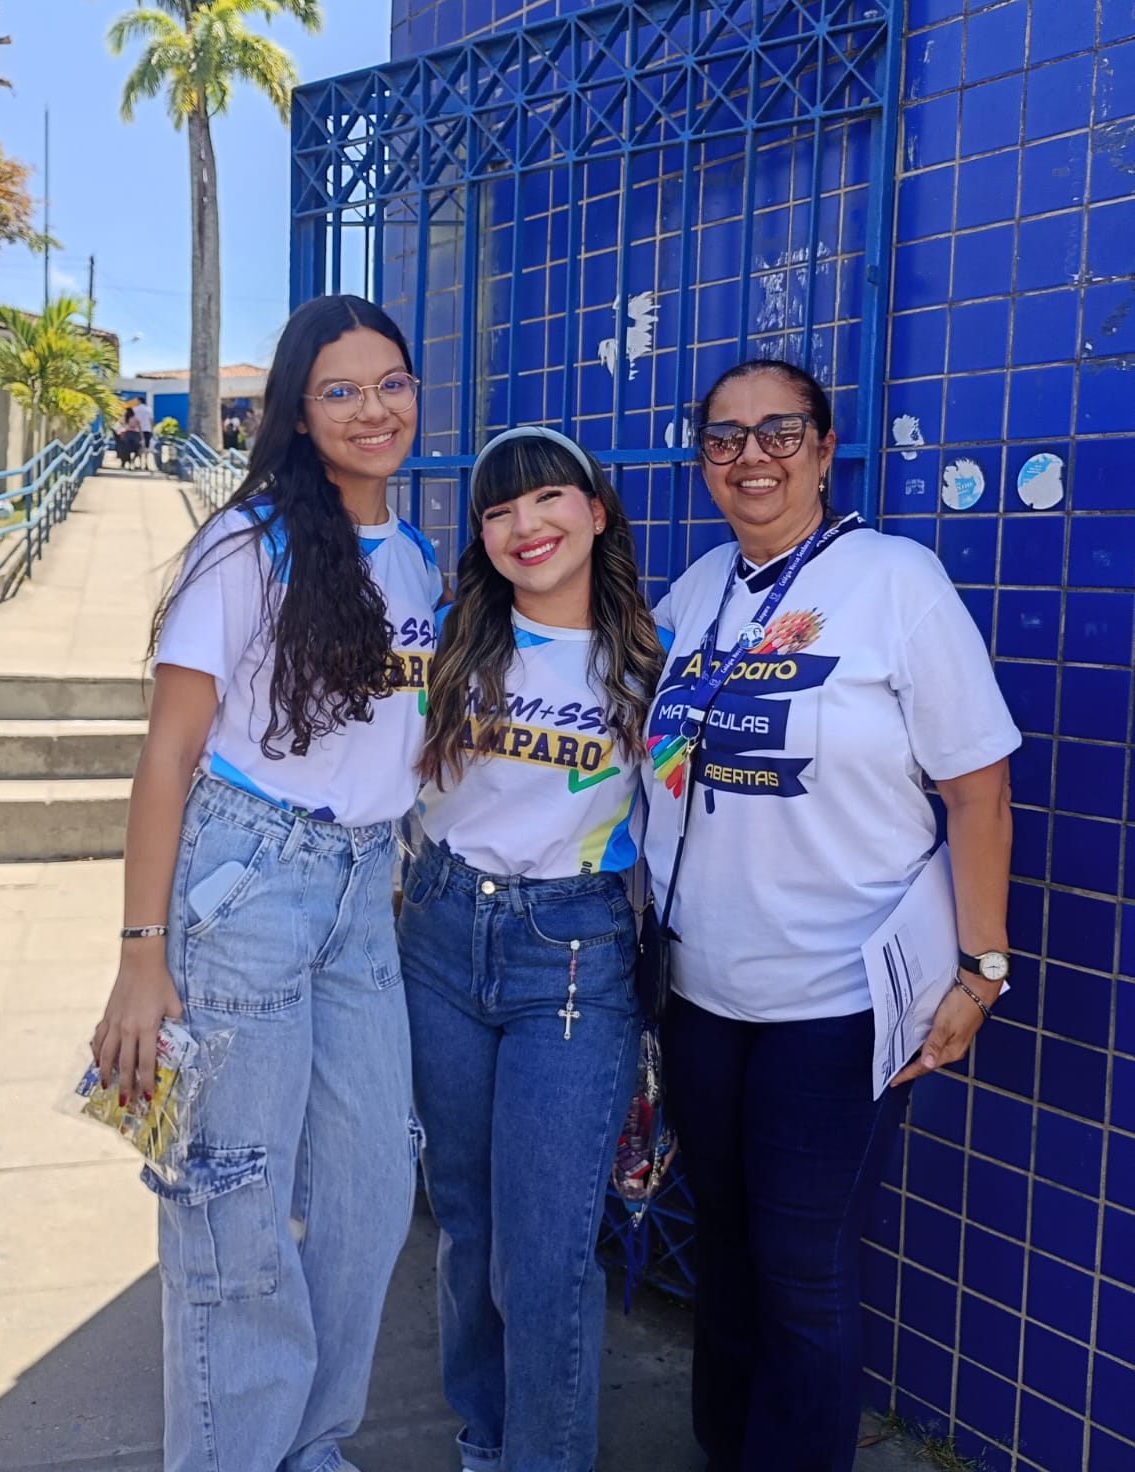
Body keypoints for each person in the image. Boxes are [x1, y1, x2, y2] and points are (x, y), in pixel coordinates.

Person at [644, 358, 1020, 1472]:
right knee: (722, 1251)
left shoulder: (896, 582)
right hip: (701, 995)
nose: (750, 456)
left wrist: (980, 970)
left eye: (778, 431)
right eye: (723, 438)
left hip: (839, 1006)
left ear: (821, 450)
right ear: (702, 460)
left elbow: (980, 791)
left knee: (803, 1271)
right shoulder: (698, 591)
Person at [91, 294, 440, 1472]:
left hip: (361, 896)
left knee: (369, 1191)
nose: (371, 409)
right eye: (340, 390)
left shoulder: (414, 558)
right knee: (232, 1198)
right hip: (247, 888)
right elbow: (168, 754)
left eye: (389, 383)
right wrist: (142, 956)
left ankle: (310, 1446)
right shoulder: (247, 545)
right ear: (296, 411)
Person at [399, 425, 663, 1472]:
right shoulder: (448, 638)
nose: (525, 525)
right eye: (499, 510)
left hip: (572, 954)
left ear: (595, 511)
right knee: (465, 1224)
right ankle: (486, 1441)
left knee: (545, 1252)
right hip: (440, 933)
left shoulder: (649, 658)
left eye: (548, 498)